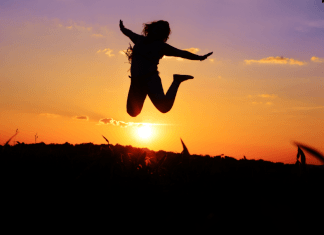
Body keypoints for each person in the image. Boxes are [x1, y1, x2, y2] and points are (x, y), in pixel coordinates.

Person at [120, 19, 213, 117]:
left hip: (150, 79)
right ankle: (173, 81)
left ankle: (176, 81)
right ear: (151, 28)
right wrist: (122, 28)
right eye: (158, 28)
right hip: (136, 81)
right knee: (132, 112)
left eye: (162, 30)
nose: (159, 31)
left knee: (164, 108)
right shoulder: (139, 39)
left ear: (163, 34)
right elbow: (128, 33)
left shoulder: (161, 46)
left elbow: (181, 53)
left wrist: (199, 57)